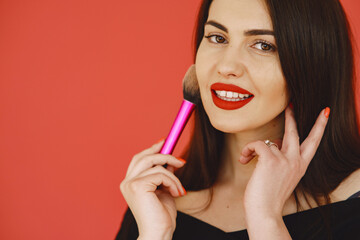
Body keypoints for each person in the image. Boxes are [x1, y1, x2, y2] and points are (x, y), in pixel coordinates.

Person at [116, 0, 360, 239]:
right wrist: (155, 234)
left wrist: (266, 221)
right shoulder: (153, 203)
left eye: (264, 45)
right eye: (218, 38)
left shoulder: (352, 205)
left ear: (314, 62)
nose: (227, 66)